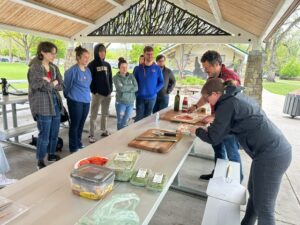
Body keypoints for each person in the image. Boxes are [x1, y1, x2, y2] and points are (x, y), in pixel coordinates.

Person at [190, 78, 292, 225]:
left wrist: (197, 130)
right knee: (254, 195)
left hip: (272, 155)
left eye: (207, 98)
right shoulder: (233, 97)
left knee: (265, 208)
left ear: (215, 93)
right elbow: (229, 128)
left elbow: (214, 138)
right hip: (269, 152)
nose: (207, 102)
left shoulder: (227, 104)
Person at [188, 50, 243, 181]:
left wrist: (213, 116)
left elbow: (231, 104)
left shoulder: (231, 77)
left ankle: (236, 181)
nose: (205, 70)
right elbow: (206, 96)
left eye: (207, 68)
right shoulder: (212, 77)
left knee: (232, 154)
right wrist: (196, 106)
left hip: (229, 125)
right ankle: (218, 174)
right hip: (218, 120)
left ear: (217, 64)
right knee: (218, 149)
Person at [27, 41, 62, 169]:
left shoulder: (54, 67)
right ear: (43, 52)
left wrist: (49, 82)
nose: (54, 56)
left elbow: (61, 84)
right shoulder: (35, 67)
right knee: (44, 135)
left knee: (54, 133)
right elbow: (36, 86)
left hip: (55, 103)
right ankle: (40, 160)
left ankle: (51, 154)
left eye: (55, 53)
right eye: (51, 53)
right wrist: (52, 83)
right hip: (42, 105)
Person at [64, 46, 92, 152]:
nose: (87, 59)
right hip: (75, 101)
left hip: (86, 101)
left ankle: (79, 143)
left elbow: (88, 84)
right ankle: (73, 147)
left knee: (81, 124)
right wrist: (69, 97)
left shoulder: (88, 70)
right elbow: (66, 86)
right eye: (85, 57)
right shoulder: (72, 71)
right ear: (78, 57)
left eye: (88, 57)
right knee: (75, 124)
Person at [88, 44, 113, 143]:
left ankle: (104, 130)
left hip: (107, 94)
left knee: (105, 114)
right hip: (97, 94)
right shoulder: (92, 65)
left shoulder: (107, 65)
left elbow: (110, 78)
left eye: (104, 51)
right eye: (100, 51)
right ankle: (91, 134)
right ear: (96, 52)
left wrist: (110, 89)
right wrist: (94, 91)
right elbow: (89, 80)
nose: (102, 53)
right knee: (93, 115)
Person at [134, 46, 164, 122]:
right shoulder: (138, 68)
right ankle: (137, 133)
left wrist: (155, 90)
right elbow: (133, 82)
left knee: (147, 119)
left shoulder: (157, 68)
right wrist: (137, 92)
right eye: (148, 54)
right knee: (139, 119)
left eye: (151, 54)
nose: (150, 56)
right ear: (144, 54)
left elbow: (161, 82)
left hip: (152, 98)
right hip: (140, 98)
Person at [113, 57, 138, 130]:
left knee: (126, 121)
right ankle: (119, 138)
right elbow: (121, 88)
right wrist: (130, 87)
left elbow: (136, 87)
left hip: (130, 103)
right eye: (122, 67)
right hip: (121, 103)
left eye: (126, 67)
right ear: (119, 68)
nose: (125, 69)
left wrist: (125, 87)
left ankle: (122, 137)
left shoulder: (131, 76)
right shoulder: (115, 78)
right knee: (120, 121)